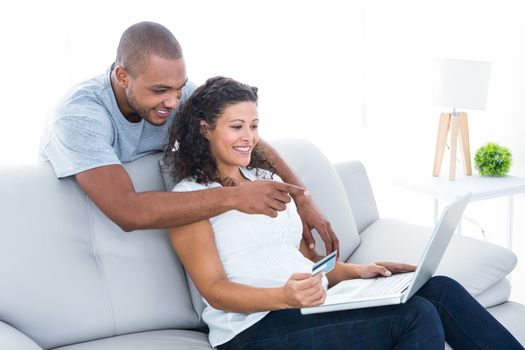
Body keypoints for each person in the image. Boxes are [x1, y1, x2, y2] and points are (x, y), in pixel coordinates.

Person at [167, 76, 523, 350]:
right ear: (205, 128)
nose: (249, 137)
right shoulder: (190, 199)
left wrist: (359, 272)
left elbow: (300, 263)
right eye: (236, 126)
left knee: (440, 289)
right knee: (414, 316)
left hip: (308, 307)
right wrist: (283, 298)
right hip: (252, 329)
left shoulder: (266, 179)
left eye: (254, 126)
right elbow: (215, 290)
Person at [38, 21, 338, 254]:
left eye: (178, 88)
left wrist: (302, 197)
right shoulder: (79, 116)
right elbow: (127, 212)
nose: (172, 101)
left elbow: (244, 140)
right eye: (159, 90)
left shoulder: (177, 95)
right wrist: (236, 196)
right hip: (79, 221)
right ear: (122, 76)